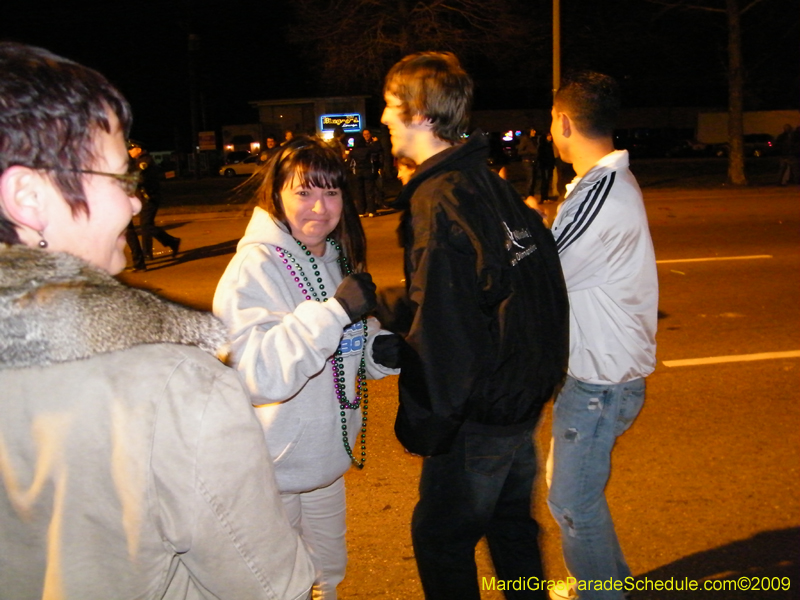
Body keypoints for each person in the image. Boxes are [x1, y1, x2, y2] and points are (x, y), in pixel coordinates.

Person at [0, 42, 314, 600]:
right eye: (120, 179)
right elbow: (270, 584)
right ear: (29, 196)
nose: (136, 204)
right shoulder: (174, 385)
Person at [379, 52, 569, 600]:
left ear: (420, 113)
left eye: (391, 105)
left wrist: (424, 426)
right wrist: (400, 308)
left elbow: (449, 332)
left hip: (482, 411)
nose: (384, 117)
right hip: (516, 398)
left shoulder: (440, 199)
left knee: (441, 538)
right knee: (510, 528)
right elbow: (502, 287)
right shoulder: (484, 182)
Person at [213, 136, 401, 599]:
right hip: (271, 467)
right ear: (276, 195)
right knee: (282, 584)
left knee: (328, 573)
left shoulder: (333, 257)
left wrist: (381, 351)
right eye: (304, 192)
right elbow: (255, 373)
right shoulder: (253, 268)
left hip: (324, 459)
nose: (320, 207)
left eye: (331, 192)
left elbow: (346, 346)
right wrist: (335, 312)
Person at [544, 71, 658, 600]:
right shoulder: (601, 186)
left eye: (551, 121)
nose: (550, 131)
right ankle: (608, 583)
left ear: (565, 122)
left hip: (600, 382)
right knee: (575, 493)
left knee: (572, 502)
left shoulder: (600, 192)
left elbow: (540, 273)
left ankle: (601, 592)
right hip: (600, 372)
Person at [128, 141, 180, 261]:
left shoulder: (145, 161)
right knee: (146, 226)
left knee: (146, 226)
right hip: (142, 197)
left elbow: (139, 178)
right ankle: (148, 252)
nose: (129, 151)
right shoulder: (136, 161)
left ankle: (171, 241)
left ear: (139, 149)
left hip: (149, 197)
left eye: (132, 148)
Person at [349, 135, 377, 215]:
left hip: (357, 172)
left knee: (359, 192)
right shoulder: (368, 150)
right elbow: (376, 151)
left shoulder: (353, 152)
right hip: (368, 171)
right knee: (369, 191)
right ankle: (371, 210)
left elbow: (349, 163)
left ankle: (361, 211)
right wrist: (376, 142)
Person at [517, 127, 539, 196]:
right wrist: (529, 152)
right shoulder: (525, 139)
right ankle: (528, 196)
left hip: (533, 161)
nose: (534, 132)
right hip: (527, 161)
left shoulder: (533, 139)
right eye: (533, 130)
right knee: (530, 179)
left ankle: (531, 195)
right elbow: (519, 152)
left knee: (534, 180)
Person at [538, 132, 556, 201]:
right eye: (548, 136)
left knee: (547, 181)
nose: (550, 137)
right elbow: (542, 156)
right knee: (544, 181)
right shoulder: (543, 146)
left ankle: (545, 197)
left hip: (548, 165)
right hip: (545, 166)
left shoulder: (549, 144)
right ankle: (543, 197)